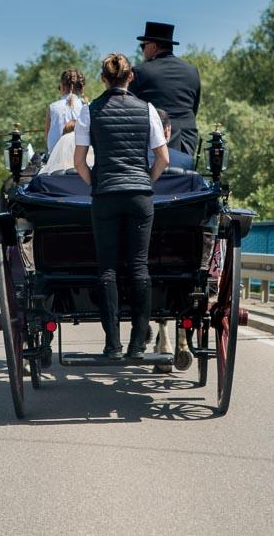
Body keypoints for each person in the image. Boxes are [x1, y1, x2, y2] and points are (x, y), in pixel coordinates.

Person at [74, 53, 169, 360]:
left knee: (107, 269)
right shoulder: (148, 110)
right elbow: (163, 158)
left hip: (106, 195)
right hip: (139, 195)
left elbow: (79, 162)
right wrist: (145, 181)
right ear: (131, 78)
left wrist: (96, 183)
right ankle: (137, 344)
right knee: (139, 266)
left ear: (103, 79)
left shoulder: (90, 111)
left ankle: (112, 345)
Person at [130, 21, 202, 156]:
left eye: (143, 46)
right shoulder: (192, 71)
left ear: (154, 46)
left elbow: (131, 111)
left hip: (152, 142)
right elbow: (194, 108)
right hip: (185, 141)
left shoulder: (140, 72)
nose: (142, 50)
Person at [44, 68, 87, 154]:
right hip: (83, 158)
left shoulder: (52, 108)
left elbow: (47, 137)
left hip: (56, 159)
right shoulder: (88, 107)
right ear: (82, 88)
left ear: (62, 87)